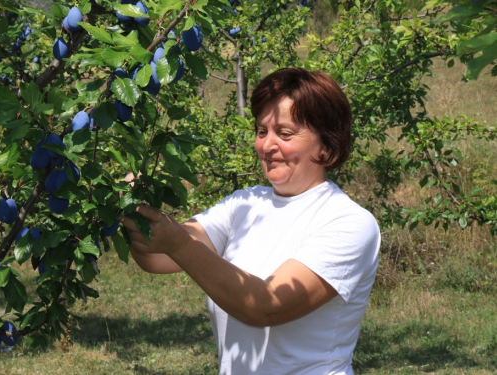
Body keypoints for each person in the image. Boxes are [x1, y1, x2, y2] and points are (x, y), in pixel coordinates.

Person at [121, 67, 381, 375]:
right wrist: (135, 211)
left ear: (326, 146)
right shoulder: (243, 204)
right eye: (261, 131)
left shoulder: (349, 223)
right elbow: (158, 257)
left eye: (285, 133)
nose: (267, 145)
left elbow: (264, 306)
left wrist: (176, 240)